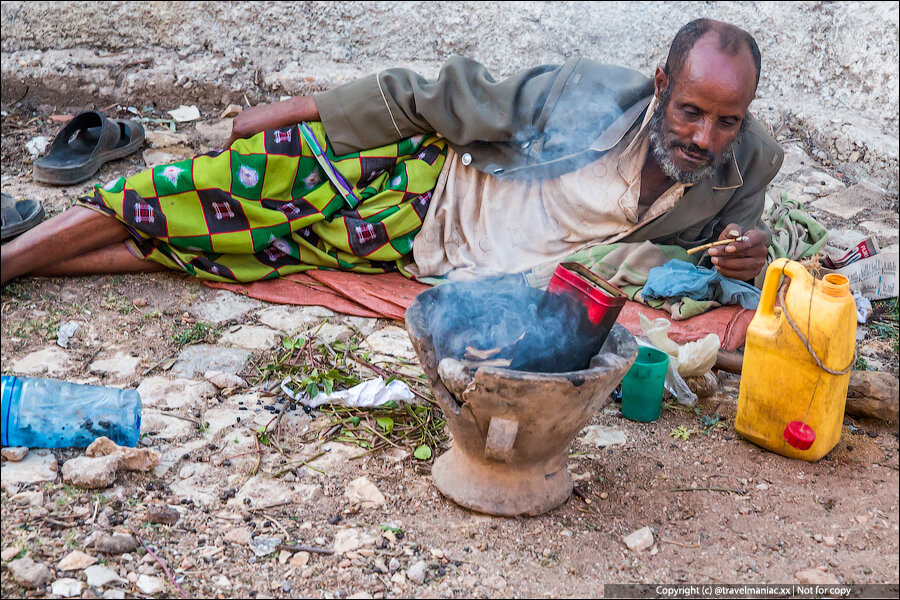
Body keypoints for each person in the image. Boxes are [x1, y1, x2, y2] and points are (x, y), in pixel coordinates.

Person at [0, 18, 781, 287]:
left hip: (425, 251)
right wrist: (301, 109)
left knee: (242, 245)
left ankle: (31, 260)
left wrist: (749, 255)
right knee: (200, 185)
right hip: (424, 174)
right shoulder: (589, 92)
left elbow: (736, 248)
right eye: (690, 111)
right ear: (660, 85)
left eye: (725, 121)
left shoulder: (750, 161)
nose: (703, 138)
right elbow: (441, 92)